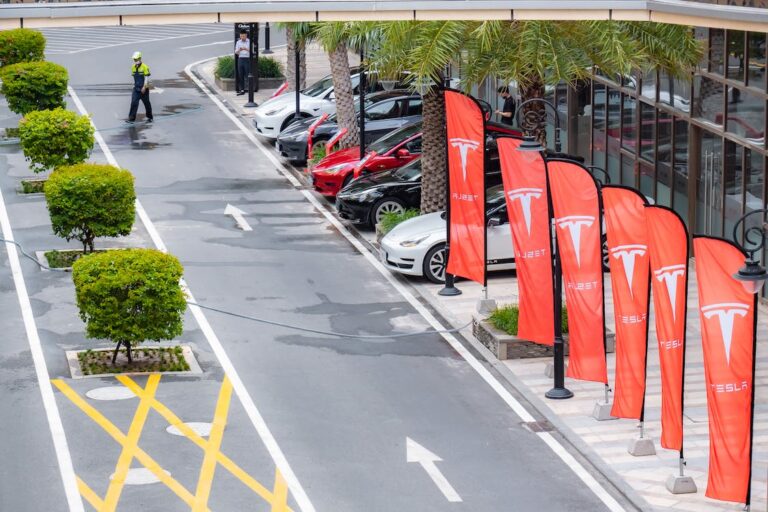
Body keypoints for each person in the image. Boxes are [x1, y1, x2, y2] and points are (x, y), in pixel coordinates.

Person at [128, 51, 153, 123]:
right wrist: (136, 86)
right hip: (136, 89)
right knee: (134, 102)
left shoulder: (145, 67)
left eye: (136, 59)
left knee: (146, 103)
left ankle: (150, 117)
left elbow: (146, 77)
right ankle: (131, 118)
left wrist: (144, 87)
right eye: (134, 59)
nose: (135, 61)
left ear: (140, 58)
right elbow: (135, 78)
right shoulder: (133, 67)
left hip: (144, 89)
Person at [235, 30, 251, 95]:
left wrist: (245, 49)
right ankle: (242, 89)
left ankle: (249, 88)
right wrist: (239, 50)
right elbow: (236, 52)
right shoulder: (238, 42)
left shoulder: (249, 41)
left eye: (243, 36)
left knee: (247, 74)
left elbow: (252, 50)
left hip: (247, 59)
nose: (242, 37)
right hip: (240, 59)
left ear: (246, 35)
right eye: (241, 36)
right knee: (240, 74)